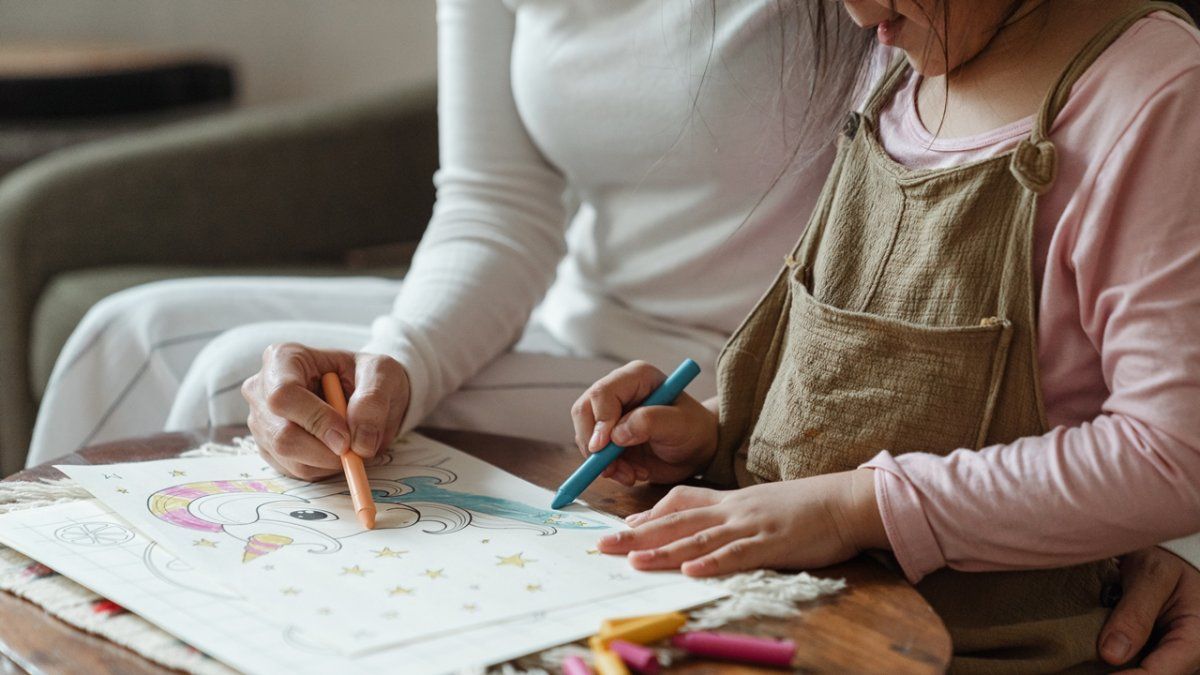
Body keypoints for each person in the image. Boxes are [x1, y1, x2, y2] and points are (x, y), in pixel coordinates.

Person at [27, 0, 1200, 670]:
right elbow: (496, 200)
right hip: (676, 395)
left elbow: (1142, 412)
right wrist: (400, 366)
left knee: (198, 363)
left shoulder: (1068, 71)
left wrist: (867, 499)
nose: (850, 16)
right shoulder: (903, 66)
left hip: (812, 451)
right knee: (142, 332)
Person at [573, 0, 1200, 671]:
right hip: (796, 610)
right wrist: (722, 429)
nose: (855, 10)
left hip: (986, 645)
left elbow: (1171, 455)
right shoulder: (897, 61)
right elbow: (874, 396)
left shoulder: (1155, 96)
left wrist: (852, 508)